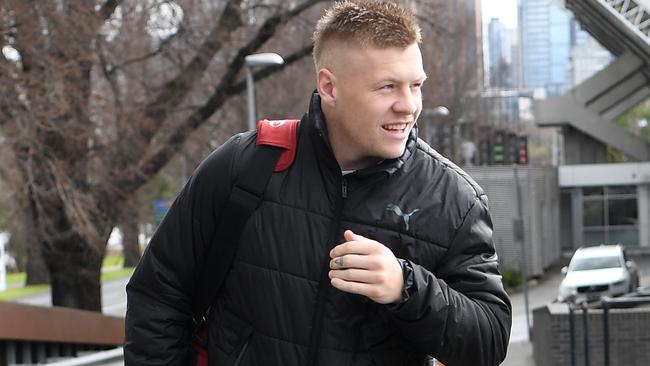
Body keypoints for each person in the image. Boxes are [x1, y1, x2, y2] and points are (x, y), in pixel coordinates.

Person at [124, 1, 512, 365]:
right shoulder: (246, 165)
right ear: (329, 87)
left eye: (416, 85)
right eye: (386, 87)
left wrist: (406, 286)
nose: (408, 105)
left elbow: (490, 341)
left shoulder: (454, 198)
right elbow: (158, 296)